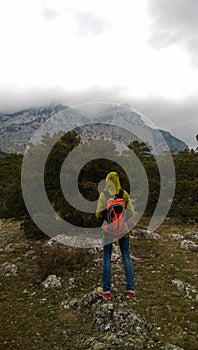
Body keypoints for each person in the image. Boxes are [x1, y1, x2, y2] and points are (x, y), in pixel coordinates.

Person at [95, 171, 135, 299]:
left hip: (108, 231)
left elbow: (97, 214)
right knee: (126, 257)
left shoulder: (104, 195)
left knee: (107, 258)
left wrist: (107, 219)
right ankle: (130, 289)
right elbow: (131, 213)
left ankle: (106, 290)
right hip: (123, 230)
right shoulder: (124, 194)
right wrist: (122, 220)